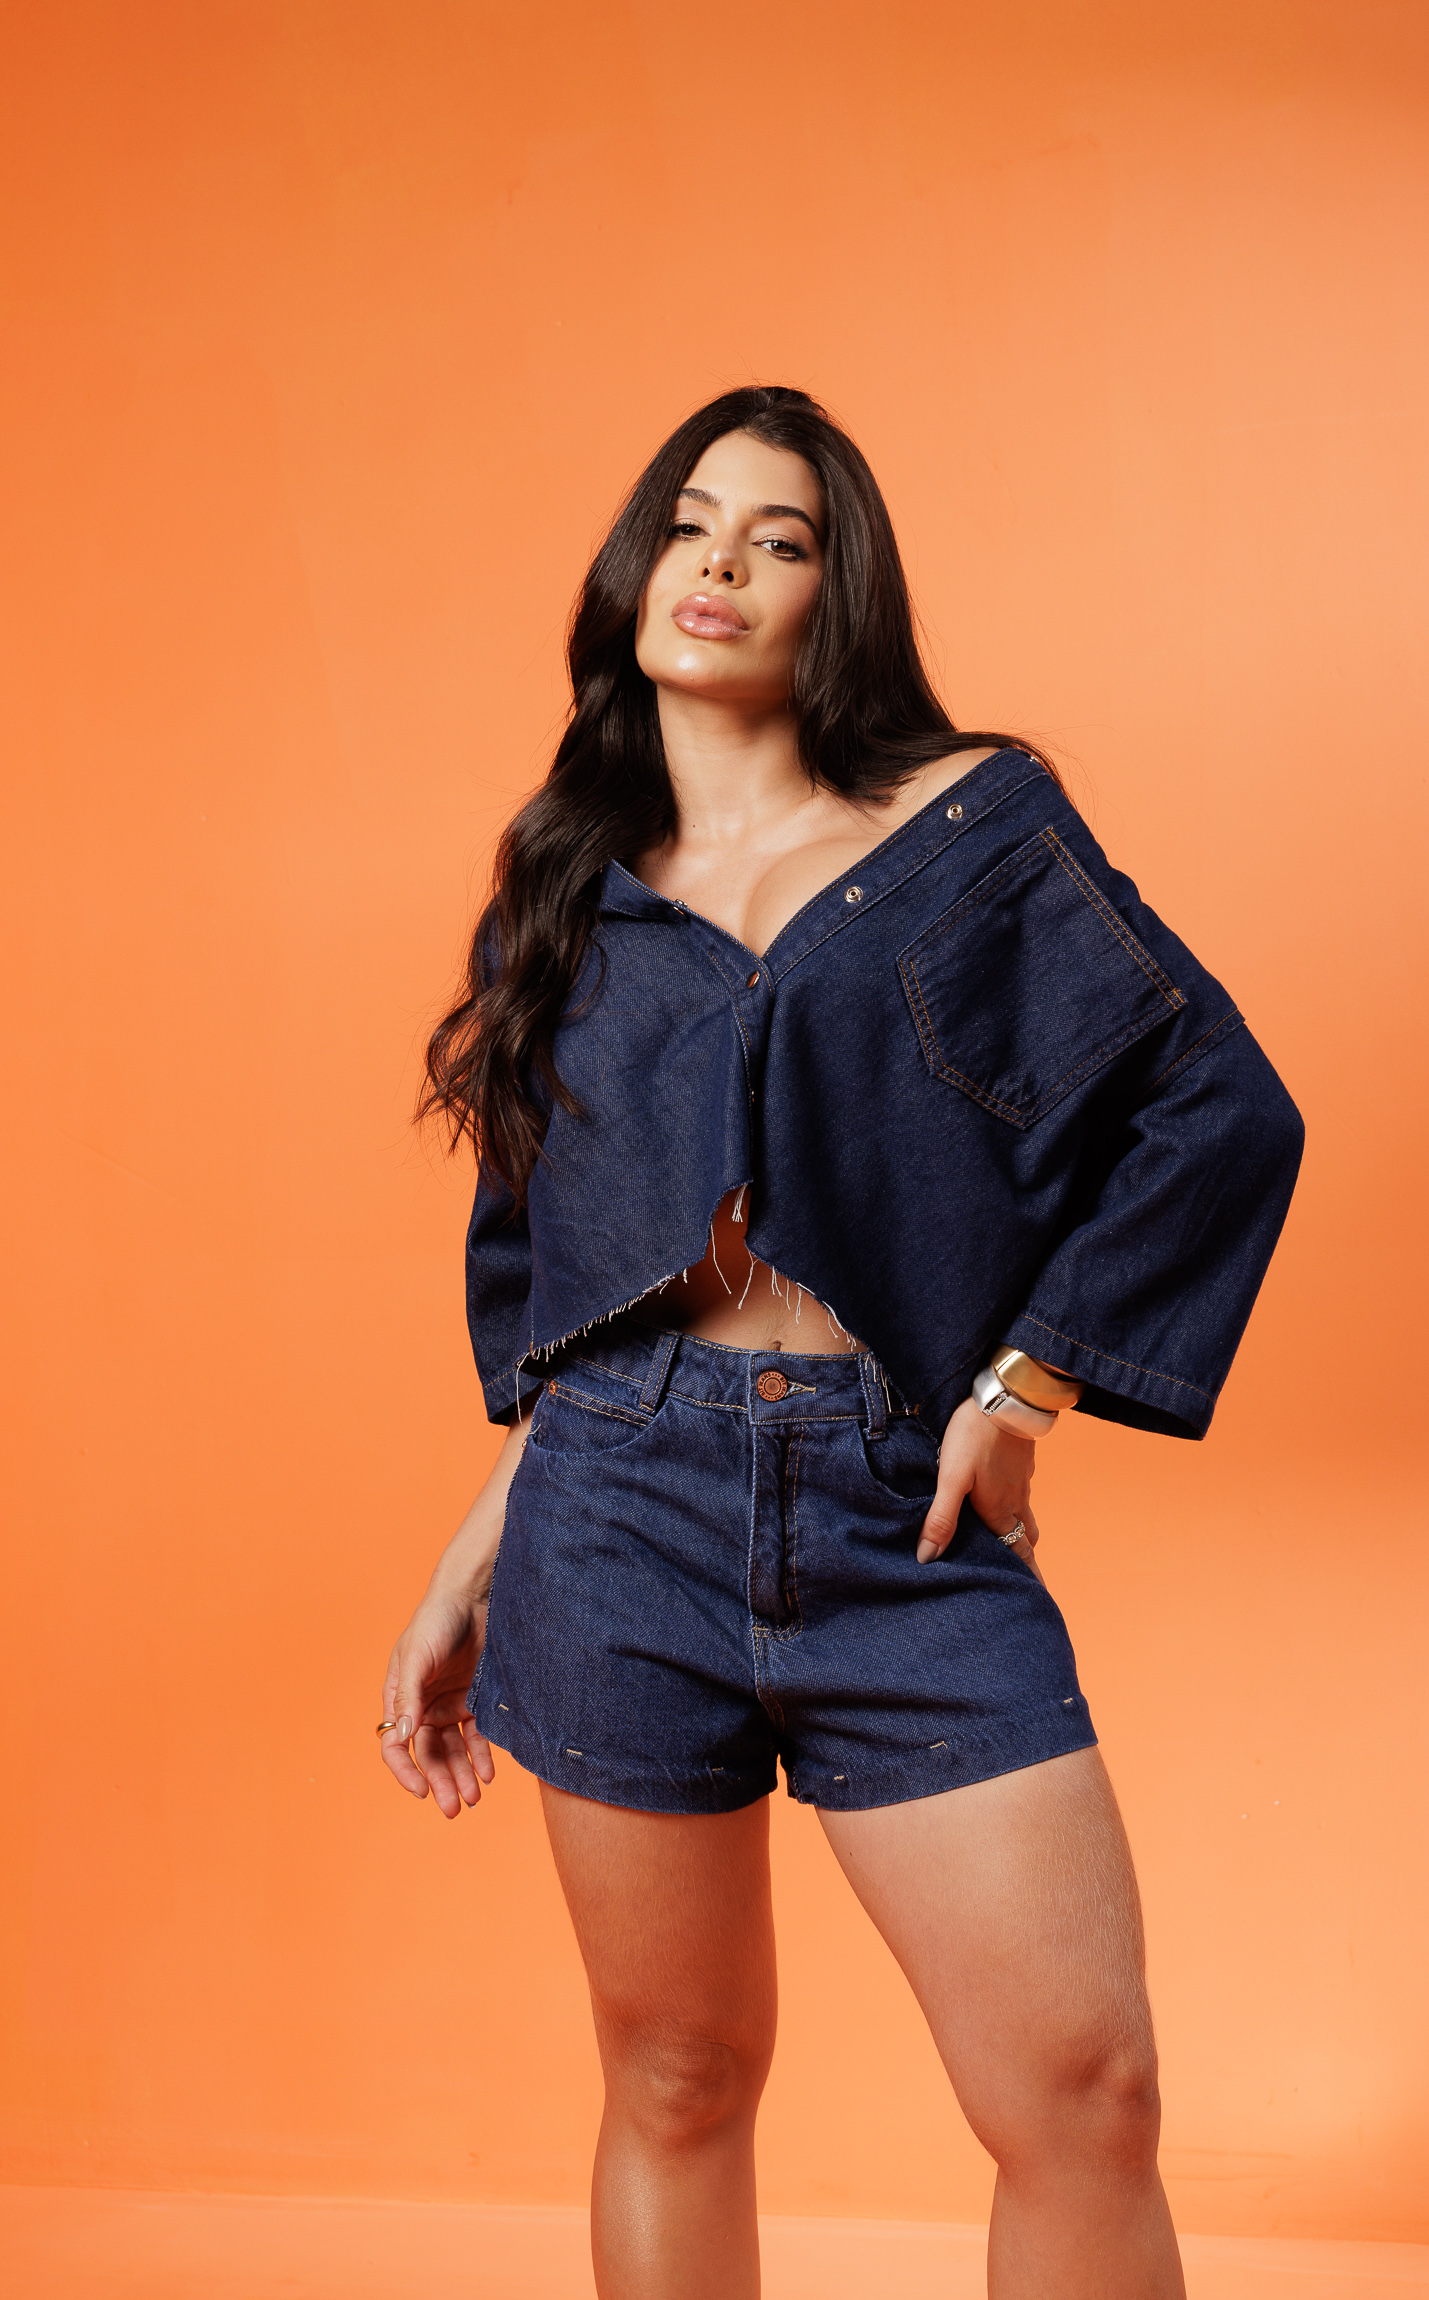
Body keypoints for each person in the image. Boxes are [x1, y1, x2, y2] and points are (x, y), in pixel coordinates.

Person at [379, 384, 1303, 2300]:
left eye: (777, 538)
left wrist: (1025, 1383)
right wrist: (472, 1561)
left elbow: (1217, 1105)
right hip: (612, 1514)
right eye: (687, 523)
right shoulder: (567, 886)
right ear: (635, 571)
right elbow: (574, 1282)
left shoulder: (967, 832)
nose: (717, 563)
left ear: (835, 593)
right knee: (676, 2075)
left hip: (902, 1518)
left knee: (1084, 2091)